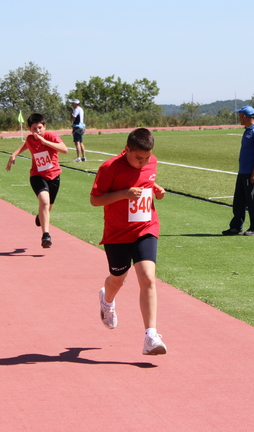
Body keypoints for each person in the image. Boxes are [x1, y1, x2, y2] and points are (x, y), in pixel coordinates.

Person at [90, 128, 168, 355]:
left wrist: (157, 190)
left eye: (147, 158)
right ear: (127, 150)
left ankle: (150, 336)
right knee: (117, 279)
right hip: (117, 234)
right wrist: (124, 194)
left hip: (146, 228)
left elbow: (146, 182)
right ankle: (107, 299)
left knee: (147, 278)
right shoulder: (109, 168)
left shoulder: (151, 162)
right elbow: (95, 200)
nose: (143, 162)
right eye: (138, 158)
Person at [6, 113, 68, 248]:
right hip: (37, 176)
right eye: (34, 128)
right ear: (30, 129)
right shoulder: (30, 139)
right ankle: (46, 235)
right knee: (44, 201)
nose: (37, 131)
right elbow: (25, 144)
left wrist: (45, 142)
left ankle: (40, 216)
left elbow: (64, 150)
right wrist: (14, 155)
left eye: (40, 128)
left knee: (48, 206)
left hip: (54, 176)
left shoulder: (51, 136)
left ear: (44, 127)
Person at [222, 106, 254, 236]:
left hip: (252, 173)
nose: (239, 118)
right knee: (239, 201)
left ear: (245, 116)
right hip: (243, 172)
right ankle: (236, 226)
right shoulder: (247, 131)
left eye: (240, 115)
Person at [69, 98, 86, 163]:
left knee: (77, 142)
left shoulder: (76, 109)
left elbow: (73, 118)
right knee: (81, 142)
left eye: (73, 103)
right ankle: (84, 157)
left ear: (75, 103)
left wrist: (71, 113)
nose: (72, 104)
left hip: (77, 127)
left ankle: (78, 158)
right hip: (81, 126)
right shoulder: (80, 109)